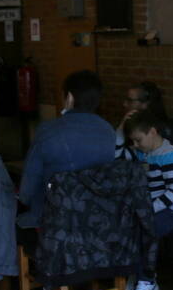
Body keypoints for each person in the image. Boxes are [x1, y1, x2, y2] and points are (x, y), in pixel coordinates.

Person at [17, 70, 115, 230]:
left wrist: (23, 199)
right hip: (96, 219)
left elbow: (29, 184)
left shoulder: (48, 130)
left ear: (69, 98)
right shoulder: (108, 130)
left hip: (52, 219)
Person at [116, 110, 173, 290]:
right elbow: (115, 154)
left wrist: (147, 210)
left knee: (146, 229)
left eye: (138, 140)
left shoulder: (169, 155)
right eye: (133, 141)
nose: (135, 144)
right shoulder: (142, 151)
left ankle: (147, 281)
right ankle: (137, 272)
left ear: (153, 132)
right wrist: (121, 128)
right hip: (151, 207)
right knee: (127, 226)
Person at [116, 81, 173, 150]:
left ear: (145, 104)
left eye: (130, 100)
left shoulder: (165, 132)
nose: (124, 104)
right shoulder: (128, 122)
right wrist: (121, 127)